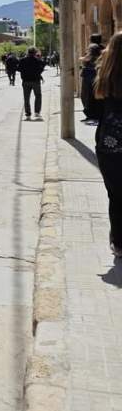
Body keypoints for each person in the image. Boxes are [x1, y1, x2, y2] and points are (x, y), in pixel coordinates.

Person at [93, 31, 122, 256]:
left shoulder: (104, 75)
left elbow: (93, 110)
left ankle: (119, 243)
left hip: (109, 144)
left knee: (116, 195)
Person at [18, 46, 46, 121]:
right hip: (36, 81)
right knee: (38, 96)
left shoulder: (22, 60)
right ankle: (37, 112)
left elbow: (19, 69)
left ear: (27, 52)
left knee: (26, 98)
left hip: (26, 81)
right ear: (35, 53)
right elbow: (43, 66)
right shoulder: (38, 60)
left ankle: (28, 114)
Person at [82, 34, 105, 124]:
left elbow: (87, 58)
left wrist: (82, 59)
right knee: (98, 95)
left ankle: (90, 115)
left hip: (89, 74)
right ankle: (97, 114)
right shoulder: (103, 48)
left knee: (87, 96)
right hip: (99, 74)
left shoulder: (92, 47)